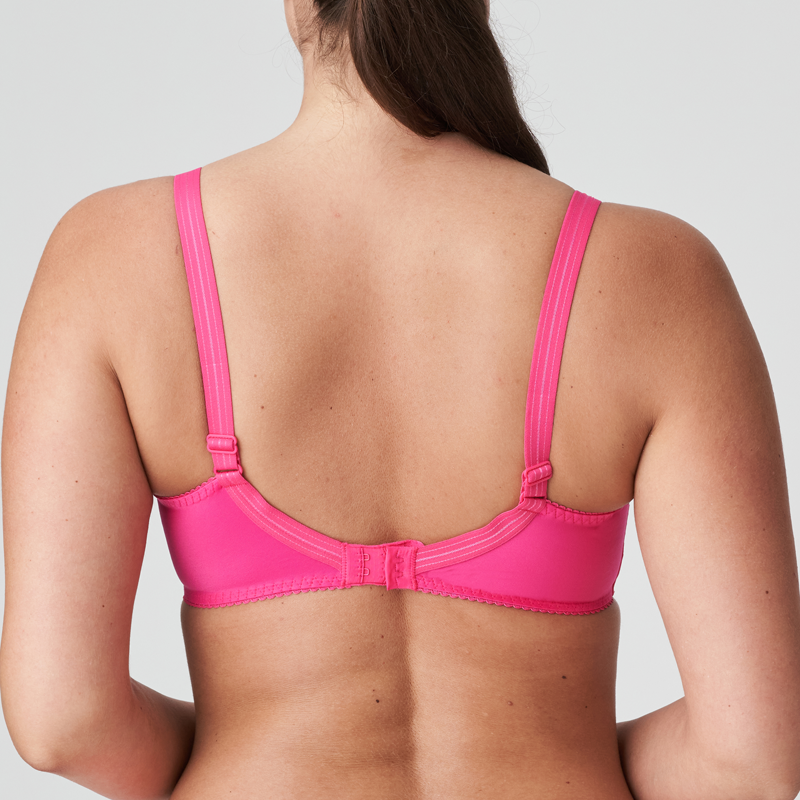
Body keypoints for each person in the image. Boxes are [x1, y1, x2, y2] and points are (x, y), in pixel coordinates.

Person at [2, 0, 799, 797]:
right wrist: (565, 757)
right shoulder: (658, 275)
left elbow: (62, 721)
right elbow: (754, 755)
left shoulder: (117, 258)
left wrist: (242, 756)